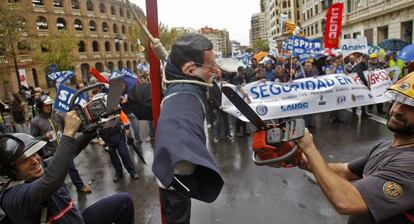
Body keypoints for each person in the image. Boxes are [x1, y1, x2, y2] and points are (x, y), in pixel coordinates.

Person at [288, 72, 414, 223]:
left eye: (411, 107)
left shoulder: (410, 163)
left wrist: (309, 148)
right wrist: (299, 159)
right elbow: (345, 171)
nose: (397, 110)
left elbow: (347, 201)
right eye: (398, 100)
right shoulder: (386, 146)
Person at [0, 111, 134, 224]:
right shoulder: (13, 197)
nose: (35, 160)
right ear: (10, 170)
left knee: (124, 202)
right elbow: (50, 181)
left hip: (74, 219)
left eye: (34, 153)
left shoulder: (39, 168)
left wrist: (93, 127)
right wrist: (68, 132)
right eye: (24, 160)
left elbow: (70, 152)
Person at [151, 33, 224, 224]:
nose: (216, 71)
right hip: (176, 185)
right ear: (191, 69)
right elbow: (174, 143)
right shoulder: (184, 98)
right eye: (211, 66)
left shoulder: (181, 78)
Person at [31, 95, 92, 193]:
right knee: (56, 176)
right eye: (46, 106)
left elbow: (66, 128)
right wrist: (44, 137)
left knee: (72, 169)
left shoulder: (57, 115)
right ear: (40, 107)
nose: (49, 107)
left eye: (50, 105)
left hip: (63, 148)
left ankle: (80, 186)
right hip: (50, 153)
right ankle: (63, 194)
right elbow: (33, 139)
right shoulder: (35, 122)